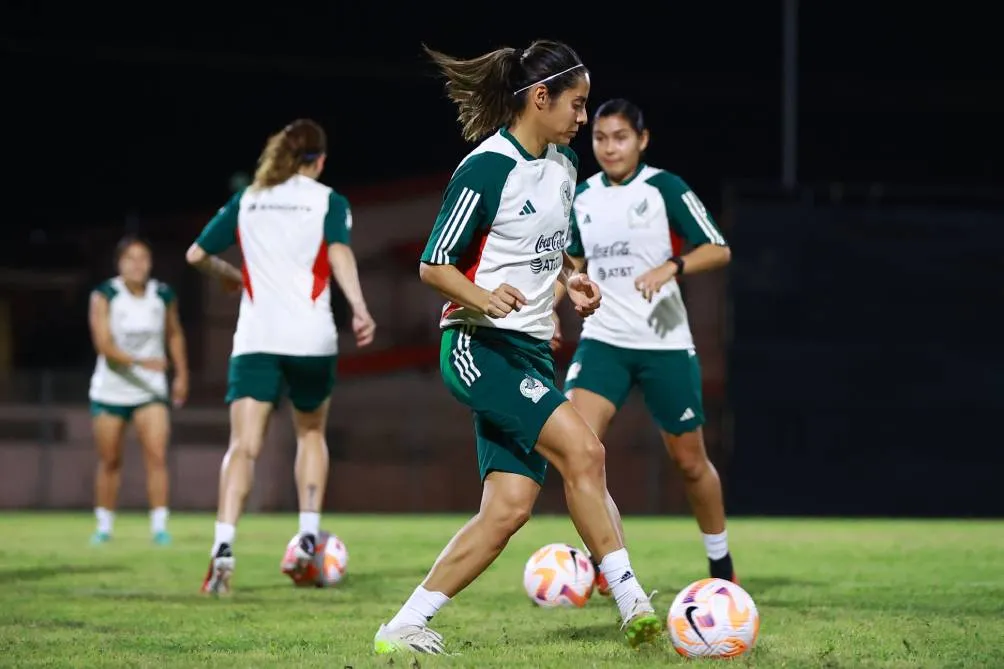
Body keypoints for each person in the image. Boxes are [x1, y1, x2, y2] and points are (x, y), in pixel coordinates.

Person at [373, 41, 662, 656]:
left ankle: (402, 626)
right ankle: (632, 599)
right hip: (477, 346)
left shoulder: (562, 166)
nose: (584, 120)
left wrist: (568, 283)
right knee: (585, 450)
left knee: (507, 510)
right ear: (540, 97)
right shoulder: (486, 168)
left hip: (529, 352)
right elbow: (433, 266)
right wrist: (481, 295)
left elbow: (544, 251)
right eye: (577, 105)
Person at [185, 119, 376, 594]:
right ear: (320, 160)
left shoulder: (248, 199)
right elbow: (338, 254)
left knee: (243, 446)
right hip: (311, 339)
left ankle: (224, 547)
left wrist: (229, 274)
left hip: (256, 338)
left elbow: (194, 255)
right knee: (310, 434)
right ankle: (309, 539)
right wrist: (359, 307)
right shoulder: (328, 200)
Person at [555, 98, 736, 594]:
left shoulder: (664, 188)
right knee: (577, 452)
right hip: (603, 342)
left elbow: (719, 248)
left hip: (664, 344)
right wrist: (555, 303)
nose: (609, 147)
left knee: (690, 462)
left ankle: (721, 565)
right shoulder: (583, 196)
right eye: (600, 138)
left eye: (620, 138)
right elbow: (571, 265)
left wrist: (672, 267)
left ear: (642, 140)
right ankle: (615, 570)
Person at [88, 235, 189, 546]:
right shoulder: (105, 295)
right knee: (110, 460)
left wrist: (181, 374)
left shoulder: (162, 294)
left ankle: (160, 526)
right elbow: (103, 345)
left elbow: (174, 333)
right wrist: (142, 362)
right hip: (111, 390)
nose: (137, 265)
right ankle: (104, 526)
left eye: (143, 258)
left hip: (151, 391)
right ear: (119, 263)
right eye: (130, 259)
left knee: (157, 456)